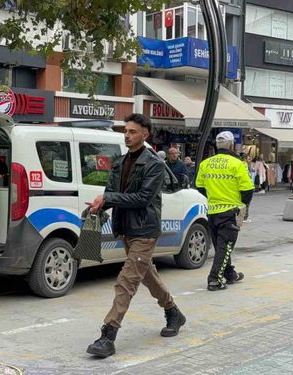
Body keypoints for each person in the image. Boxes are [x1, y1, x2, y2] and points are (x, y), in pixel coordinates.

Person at [85, 114, 185, 358]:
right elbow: (111, 193)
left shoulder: (155, 164)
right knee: (147, 275)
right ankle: (174, 312)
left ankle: (108, 334)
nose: (127, 135)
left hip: (145, 231)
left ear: (145, 134)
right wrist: (98, 207)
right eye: (126, 131)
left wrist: (108, 198)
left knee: (126, 280)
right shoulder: (119, 162)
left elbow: (143, 198)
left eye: (132, 131)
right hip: (126, 230)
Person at [195, 131, 254, 291]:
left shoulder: (205, 164)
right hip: (230, 211)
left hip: (212, 211)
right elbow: (248, 190)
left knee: (222, 246)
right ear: (232, 145)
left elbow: (199, 186)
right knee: (225, 247)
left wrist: (214, 197)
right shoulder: (238, 164)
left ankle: (230, 274)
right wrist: (243, 205)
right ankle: (214, 279)